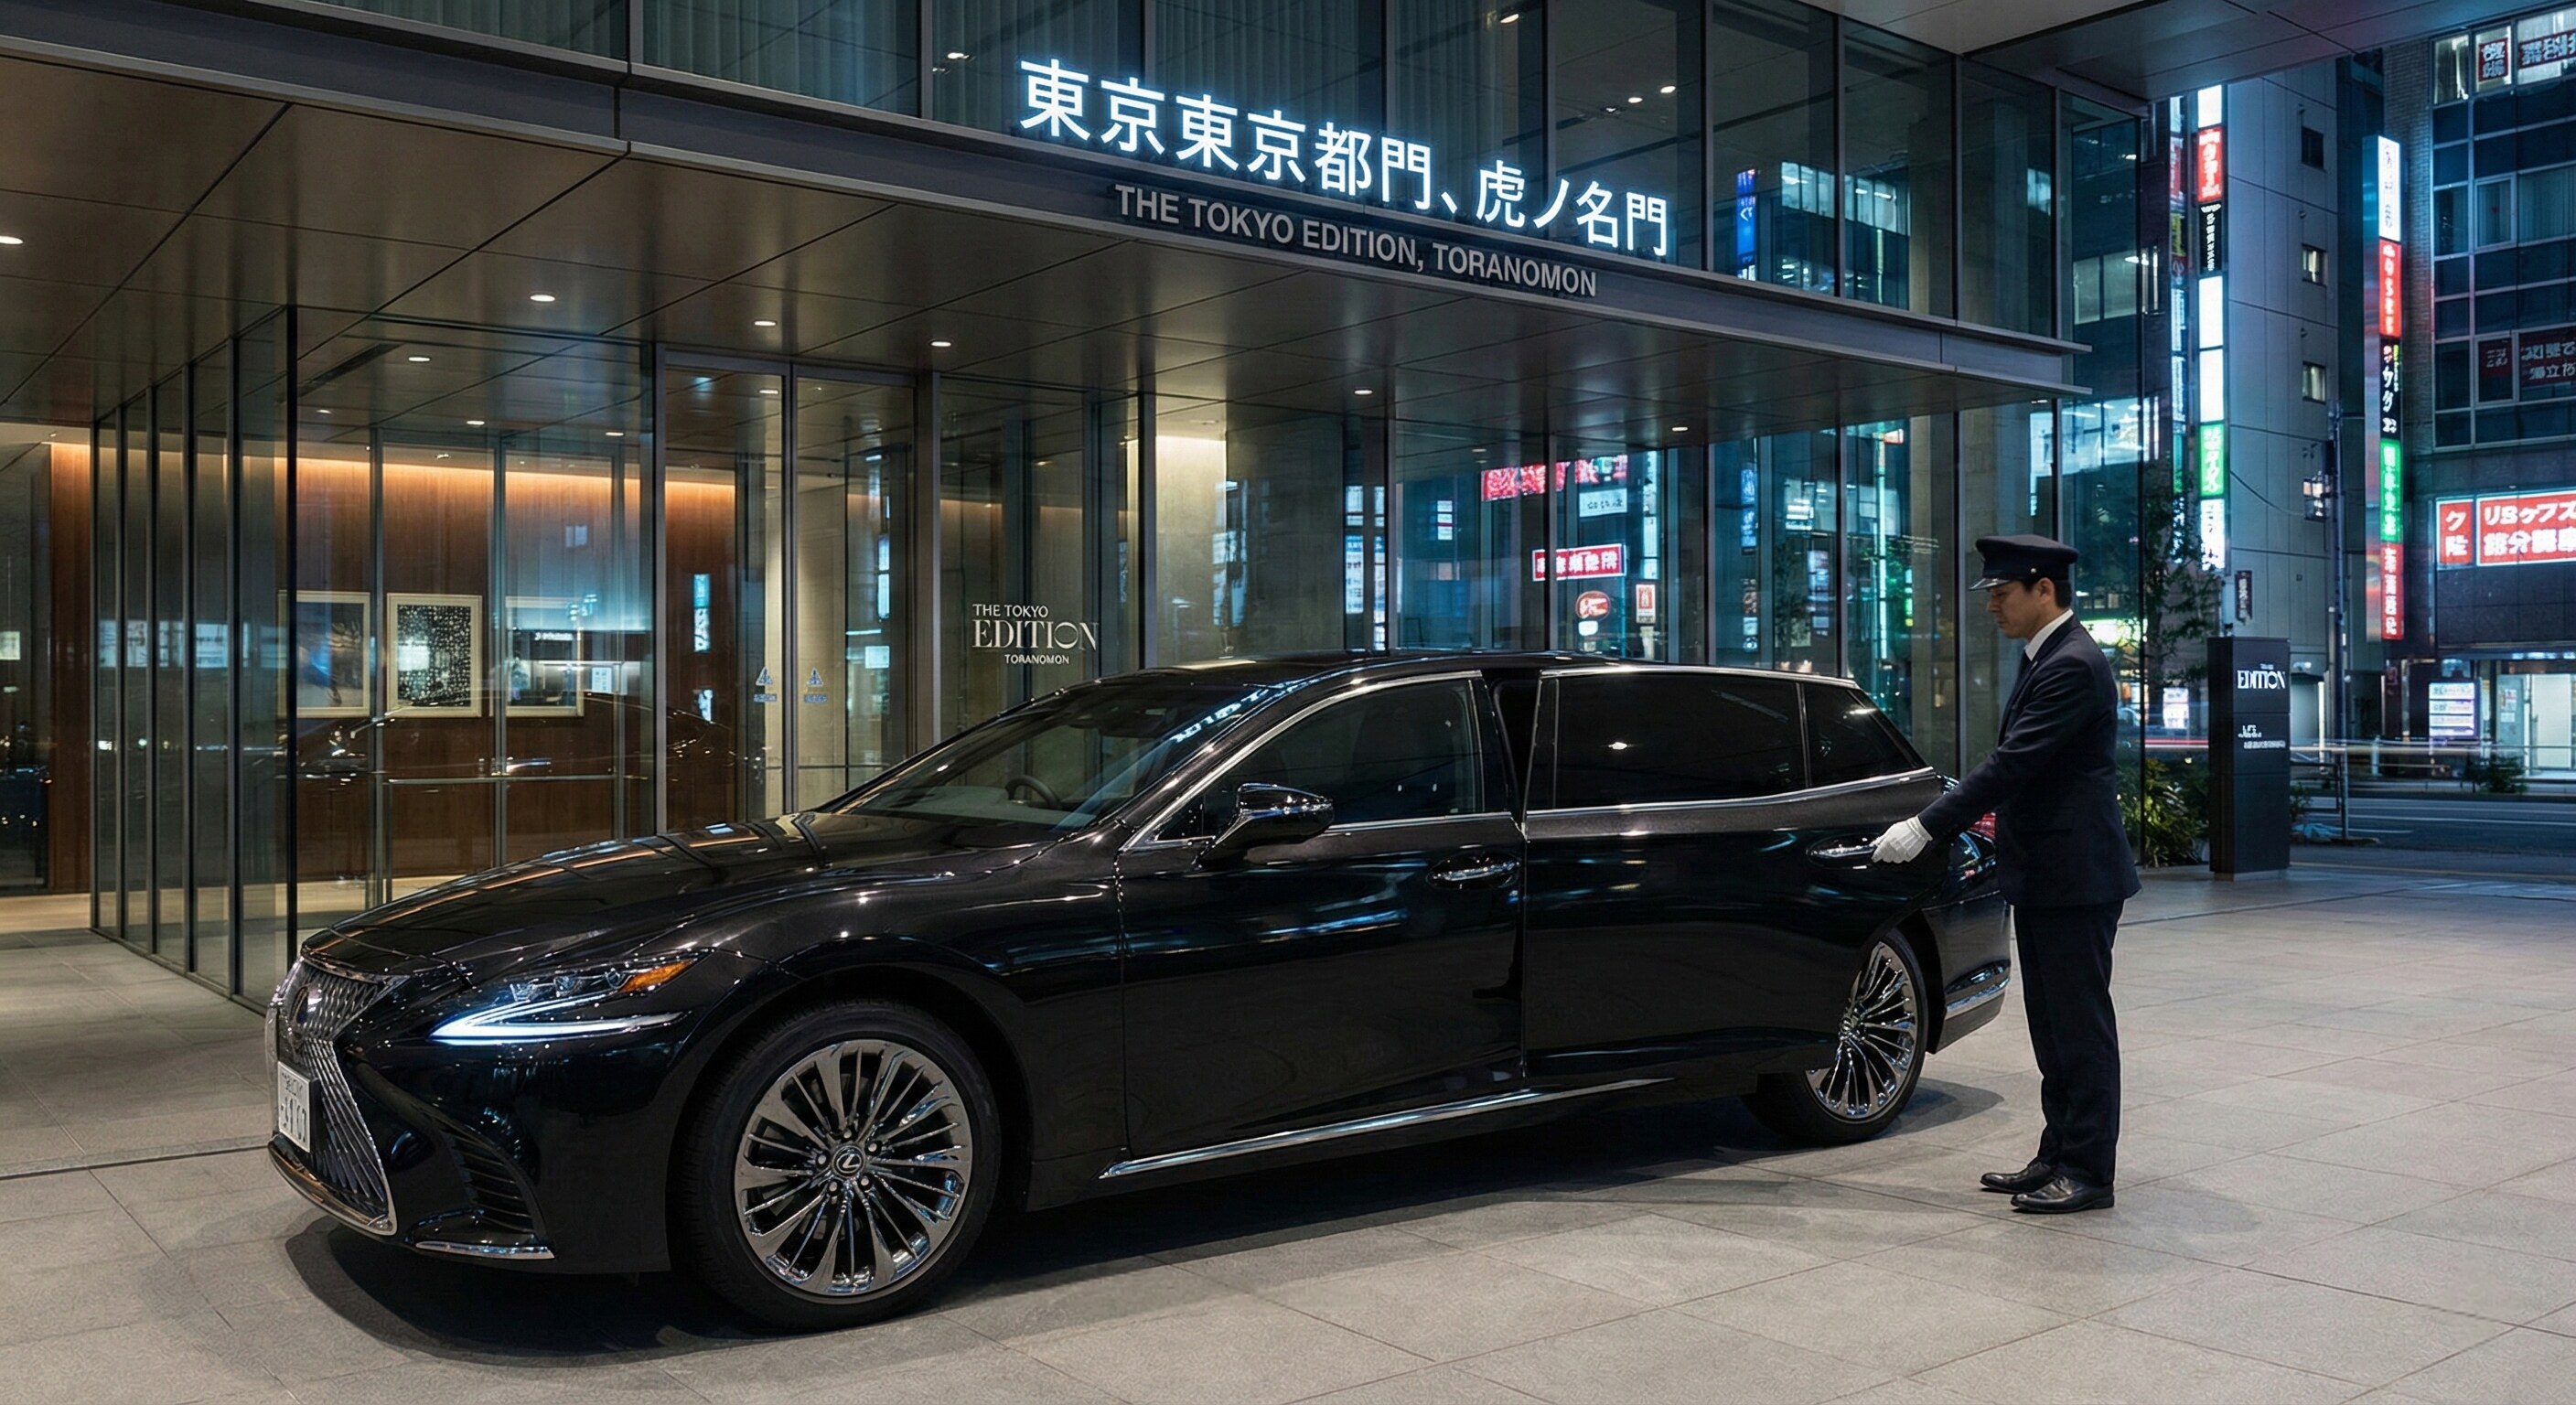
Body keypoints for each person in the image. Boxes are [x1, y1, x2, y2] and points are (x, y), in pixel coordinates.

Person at [1869, 533, 2139, 1215]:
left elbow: (2013, 764)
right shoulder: (2045, 655)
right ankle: (2058, 1153)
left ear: (2043, 589)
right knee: (2052, 1026)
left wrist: (1927, 825)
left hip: (2076, 878)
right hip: (2050, 875)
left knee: (2078, 1027)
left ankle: (2089, 1171)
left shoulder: (2072, 664)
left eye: (2001, 592)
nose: (1991, 605)